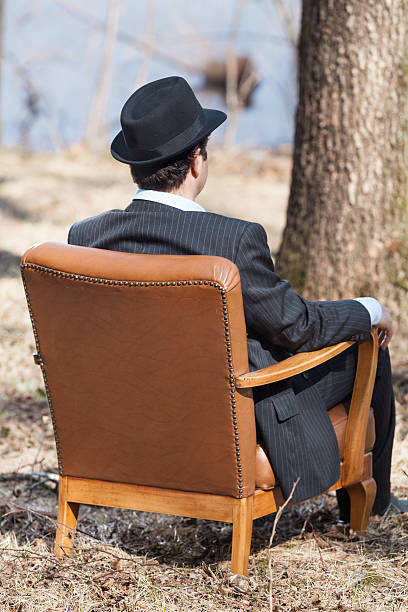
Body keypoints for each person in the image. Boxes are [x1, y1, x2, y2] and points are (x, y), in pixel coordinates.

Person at [68, 76, 405, 519]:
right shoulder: (231, 240)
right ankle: (373, 506)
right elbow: (298, 327)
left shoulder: (87, 237)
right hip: (230, 411)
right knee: (369, 349)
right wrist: (369, 310)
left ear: (136, 167)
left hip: (135, 422)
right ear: (196, 163)